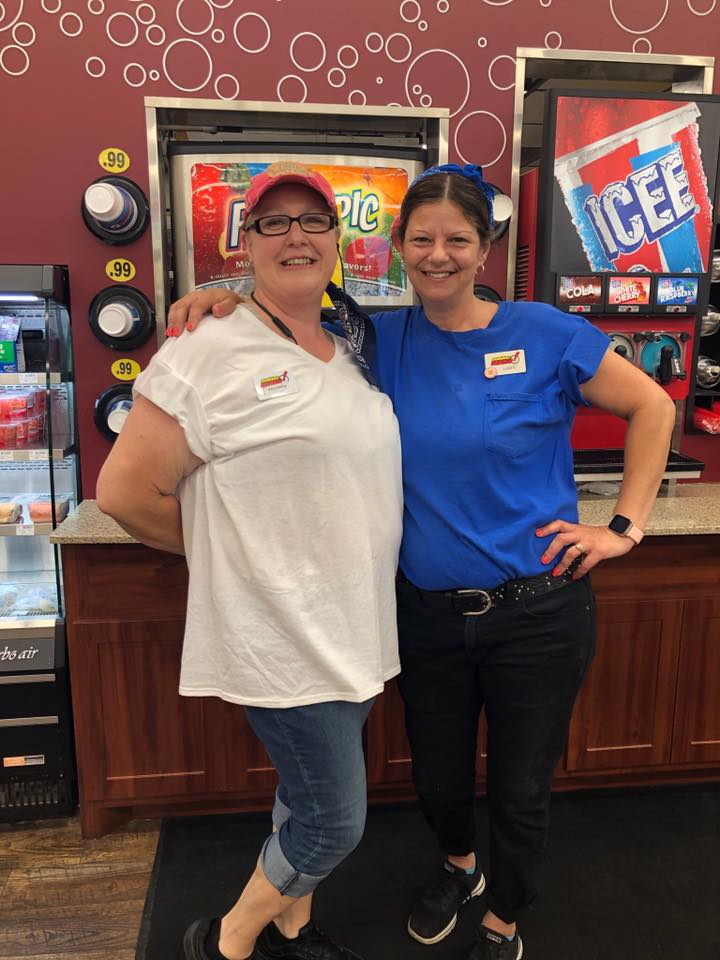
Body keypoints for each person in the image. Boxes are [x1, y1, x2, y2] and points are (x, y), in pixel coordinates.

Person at [166, 163, 676, 960]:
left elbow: (654, 404)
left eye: (458, 240)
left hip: (538, 612)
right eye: (423, 239)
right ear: (399, 246)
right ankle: (460, 869)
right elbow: (283, 308)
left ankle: (504, 920)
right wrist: (219, 298)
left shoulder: (546, 332)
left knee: (520, 786)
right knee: (437, 777)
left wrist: (623, 527)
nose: (439, 255)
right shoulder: (377, 338)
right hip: (427, 616)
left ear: (485, 250)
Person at [96, 163, 404, 960]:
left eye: (314, 220)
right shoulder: (206, 346)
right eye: (275, 222)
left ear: (337, 239)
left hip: (356, 626)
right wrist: (235, 555)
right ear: (248, 241)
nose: (296, 236)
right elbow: (125, 493)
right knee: (333, 821)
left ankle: (294, 930)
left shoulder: (348, 345)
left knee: (302, 799)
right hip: (282, 634)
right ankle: (228, 940)